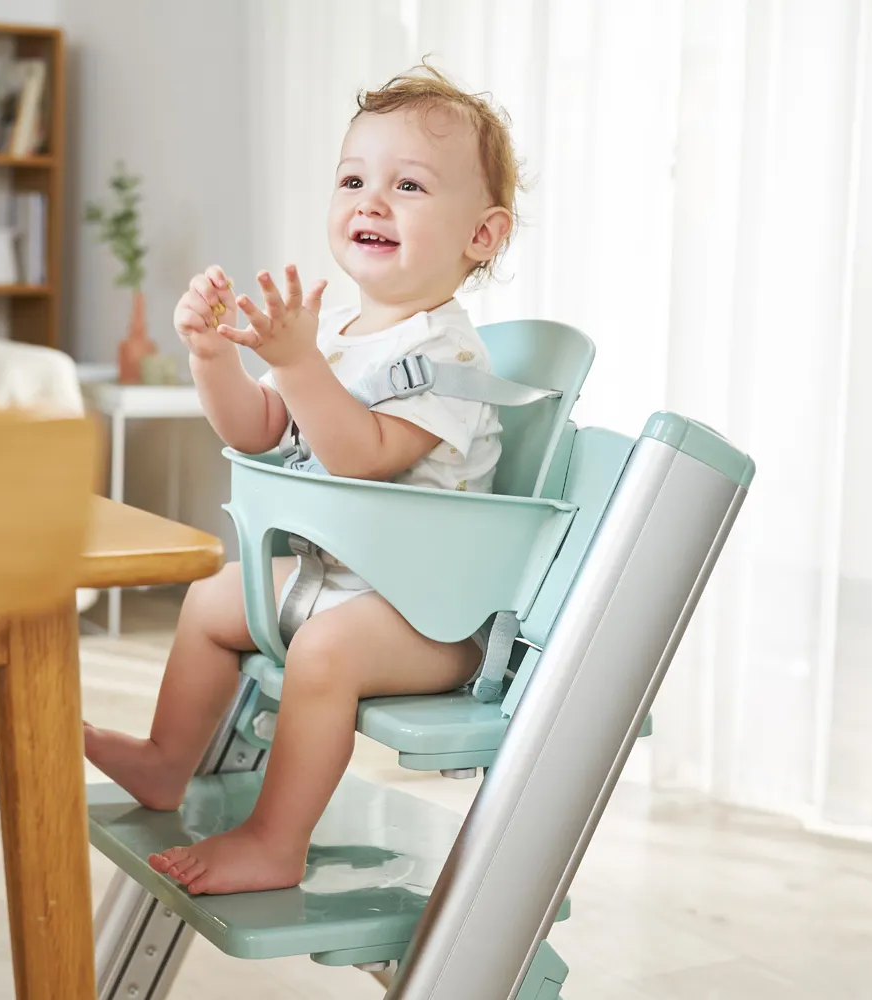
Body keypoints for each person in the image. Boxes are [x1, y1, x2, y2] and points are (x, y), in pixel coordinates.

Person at [84, 63, 522, 895]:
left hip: (432, 615)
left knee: (323, 651)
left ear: (482, 235)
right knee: (214, 596)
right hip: (344, 583)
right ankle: (166, 761)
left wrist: (297, 359)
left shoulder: (449, 355)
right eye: (354, 179)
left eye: (410, 185)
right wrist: (212, 357)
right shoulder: (349, 333)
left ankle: (274, 840)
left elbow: (362, 452)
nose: (371, 200)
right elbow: (257, 427)